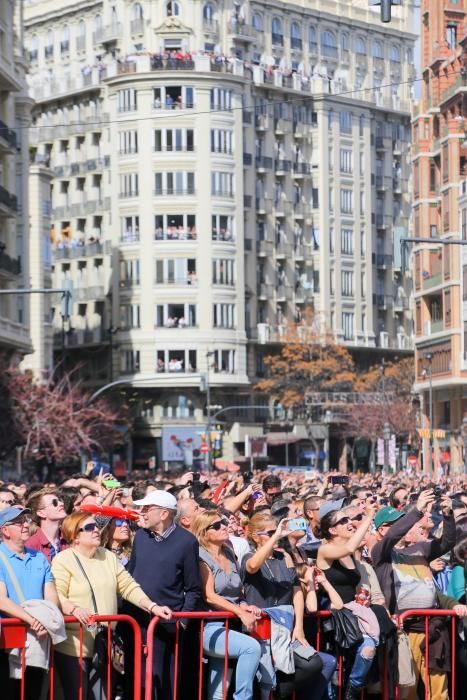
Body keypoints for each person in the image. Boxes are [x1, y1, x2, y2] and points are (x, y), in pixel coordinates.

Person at [51, 511, 171, 700]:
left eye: (97, 526)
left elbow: (128, 586)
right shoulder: (63, 560)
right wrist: (74, 609)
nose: (96, 530)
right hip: (74, 645)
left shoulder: (107, 556)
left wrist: (152, 606)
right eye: (89, 528)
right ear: (75, 536)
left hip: (106, 643)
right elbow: (57, 596)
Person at [372, 490, 467, 700]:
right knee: (407, 690)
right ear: (381, 531)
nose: (400, 527)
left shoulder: (419, 550)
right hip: (403, 632)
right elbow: (392, 536)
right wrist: (415, 511)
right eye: (393, 524)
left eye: (402, 522)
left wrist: (448, 515)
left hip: (431, 629)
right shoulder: (380, 554)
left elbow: (447, 542)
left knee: (438, 691)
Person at [243, 512, 338, 700]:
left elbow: (296, 592)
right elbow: (253, 566)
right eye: (270, 533)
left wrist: (299, 627)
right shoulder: (249, 555)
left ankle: (281, 694)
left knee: (317, 663)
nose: (277, 535)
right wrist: (276, 536)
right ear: (256, 536)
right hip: (261, 631)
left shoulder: (284, 556)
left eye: (277, 531)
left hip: (286, 628)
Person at [123, 490, 201, 700]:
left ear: (164, 514)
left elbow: (193, 587)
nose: (142, 513)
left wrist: (182, 621)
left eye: (147, 509)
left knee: (163, 683)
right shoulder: (140, 536)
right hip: (136, 622)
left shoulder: (187, 542)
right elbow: (130, 576)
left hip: (166, 626)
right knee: (136, 683)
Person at [192, 510, 262, 700]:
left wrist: (245, 605)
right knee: (251, 648)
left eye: (223, 522)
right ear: (204, 532)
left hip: (231, 625)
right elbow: (210, 596)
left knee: (218, 691)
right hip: (209, 627)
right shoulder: (200, 556)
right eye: (217, 525)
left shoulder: (229, 553)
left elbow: (236, 591)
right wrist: (241, 612)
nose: (224, 526)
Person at [316, 504, 377, 699]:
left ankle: (354, 689)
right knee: (332, 675)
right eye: (343, 521)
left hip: (353, 613)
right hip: (331, 616)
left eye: (348, 519)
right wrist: (369, 517)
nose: (349, 523)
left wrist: (362, 594)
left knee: (368, 650)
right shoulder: (325, 550)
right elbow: (350, 546)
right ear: (332, 530)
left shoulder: (351, 553)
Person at [0, 506, 59, 700]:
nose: (25, 525)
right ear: (5, 530)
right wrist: (33, 620)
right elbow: (1, 599)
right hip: (8, 642)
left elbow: (51, 595)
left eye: (26, 520)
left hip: (37, 639)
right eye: (18, 522)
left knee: (33, 691)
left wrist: (48, 619)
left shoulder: (39, 558)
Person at [25, 488, 68, 563]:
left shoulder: (69, 539)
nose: (61, 504)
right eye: (54, 503)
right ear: (41, 513)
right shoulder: (31, 545)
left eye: (60, 501)